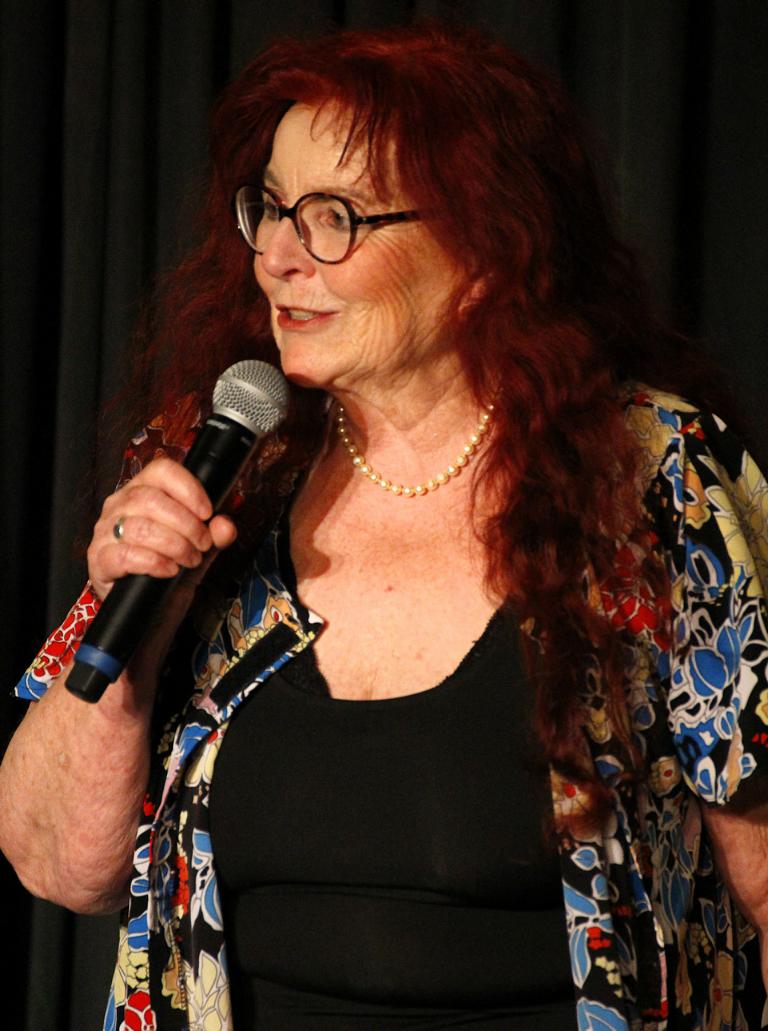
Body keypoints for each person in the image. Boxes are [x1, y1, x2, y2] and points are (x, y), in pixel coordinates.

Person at [2, 19, 768, 1031]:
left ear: (484, 246)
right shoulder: (226, 464)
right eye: (271, 208)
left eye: (334, 218)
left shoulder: (652, 478)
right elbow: (59, 865)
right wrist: (134, 628)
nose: (279, 256)